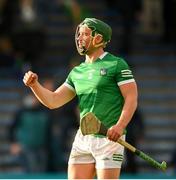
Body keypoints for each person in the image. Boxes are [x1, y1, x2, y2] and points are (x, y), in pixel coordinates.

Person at [23, 18, 138, 179]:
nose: (79, 38)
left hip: (109, 140)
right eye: (79, 34)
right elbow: (53, 101)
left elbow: (131, 98)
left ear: (98, 38)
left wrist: (120, 126)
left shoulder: (117, 65)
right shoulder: (77, 72)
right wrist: (34, 85)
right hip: (83, 138)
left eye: (85, 34)